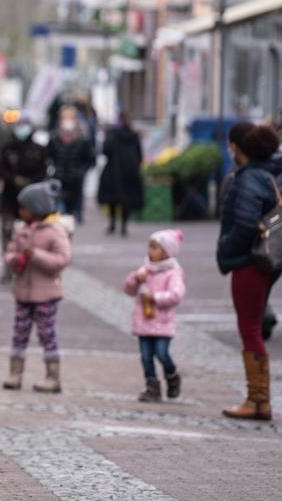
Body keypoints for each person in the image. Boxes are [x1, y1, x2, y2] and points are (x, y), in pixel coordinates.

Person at [217, 124, 282, 421]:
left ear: (237, 148)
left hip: (249, 262)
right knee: (252, 328)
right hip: (261, 262)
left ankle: (258, 400)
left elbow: (244, 224)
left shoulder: (248, 180)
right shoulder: (267, 175)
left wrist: (227, 249)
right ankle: (257, 398)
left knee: (250, 330)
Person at [3, 179, 72, 392]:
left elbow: (62, 260)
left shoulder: (55, 232)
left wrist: (36, 255)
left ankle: (53, 376)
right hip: (23, 292)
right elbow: (10, 252)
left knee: (46, 333)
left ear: (36, 209)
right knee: (19, 333)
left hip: (47, 294)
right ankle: (15, 373)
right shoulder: (21, 230)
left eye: (23, 207)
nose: (20, 211)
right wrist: (14, 260)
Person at [123, 230, 186, 402]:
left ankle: (172, 376)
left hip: (162, 322)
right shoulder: (145, 270)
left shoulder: (173, 272)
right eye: (149, 247)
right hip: (143, 321)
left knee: (162, 353)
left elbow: (176, 295)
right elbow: (128, 289)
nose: (150, 251)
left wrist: (155, 298)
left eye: (155, 248)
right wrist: (136, 278)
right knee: (145, 356)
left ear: (167, 251)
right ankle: (152, 387)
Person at [0, 120, 52, 282]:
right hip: (9, 199)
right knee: (7, 233)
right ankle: (9, 268)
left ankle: (30, 267)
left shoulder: (39, 150)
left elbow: (44, 172)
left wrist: (29, 182)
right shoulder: (8, 148)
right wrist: (14, 179)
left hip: (32, 203)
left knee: (33, 235)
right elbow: (0, 169)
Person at [97, 112, 144, 236]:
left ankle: (112, 224)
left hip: (114, 170)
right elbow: (139, 154)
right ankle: (124, 225)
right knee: (126, 199)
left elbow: (105, 151)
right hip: (130, 171)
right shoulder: (133, 135)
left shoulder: (112, 134)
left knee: (113, 199)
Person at [49, 106, 94, 223]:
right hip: (59, 176)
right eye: (64, 117)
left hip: (76, 177)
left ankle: (76, 213)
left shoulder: (83, 137)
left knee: (75, 201)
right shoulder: (55, 136)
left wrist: (81, 171)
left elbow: (89, 158)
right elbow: (49, 155)